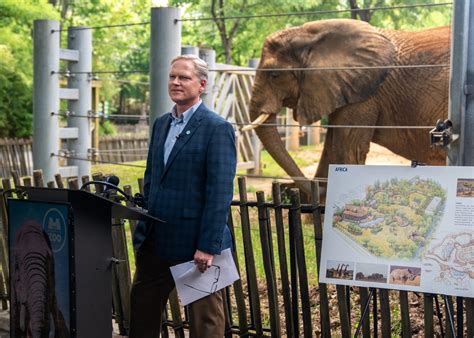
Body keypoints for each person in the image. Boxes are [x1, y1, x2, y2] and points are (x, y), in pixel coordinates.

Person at [129, 54, 237, 338]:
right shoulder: (161, 124)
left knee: (206, 325)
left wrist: (208, 246)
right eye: (172, 76)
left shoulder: (217, 128)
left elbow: (220, 193)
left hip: (195, 250)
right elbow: (153, 181)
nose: (176, 82)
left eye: (184, 77)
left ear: (201, 84)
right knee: (141, 315)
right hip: (155, 242)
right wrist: (143, 233)